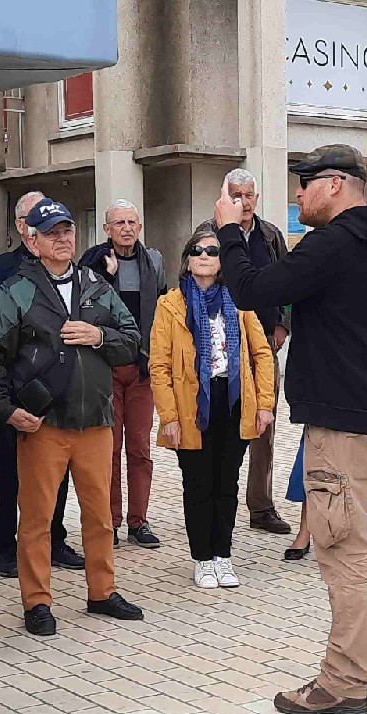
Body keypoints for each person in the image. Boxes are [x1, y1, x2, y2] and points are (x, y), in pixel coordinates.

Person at [214, 144, 367, 714]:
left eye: (304, 185)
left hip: (342, 425)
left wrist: (230, 232)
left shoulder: (334, 242)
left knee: (344, 552)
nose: (297, 197)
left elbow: (255, 291)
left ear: (334, 184)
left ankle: (341, 685)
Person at [0, 196, 145, 636]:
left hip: (95, 420)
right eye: (51, 233)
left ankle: (102, 592)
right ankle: (36, 601)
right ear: (32, 241)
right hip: (44, 424)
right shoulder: (15, 290)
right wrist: (8, 411)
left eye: (67, 230)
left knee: (100, 516)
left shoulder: (96, 285)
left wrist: (99, 334)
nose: (62, 239)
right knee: (35, 518)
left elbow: (132, 342)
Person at [149, 227, 275, 589]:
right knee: (198, 482)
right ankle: (202, 558)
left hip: (234, 401)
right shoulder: (169, 304)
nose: (204, 256)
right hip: (192, 406)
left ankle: (223, 554)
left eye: (212, 251)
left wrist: (264, 404)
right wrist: (169, 417)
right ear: (187, 260)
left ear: (221, 263)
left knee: (227, 482)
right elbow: (159, 365)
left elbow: (261, 353)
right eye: (197, 250)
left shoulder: (238, 299)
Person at [0, 191, 83, 577]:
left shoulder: (73, 271)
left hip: (59, 394)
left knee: (58, 474)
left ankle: (55, 539)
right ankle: (7, 547)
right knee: (10, 472)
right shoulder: (4, 269)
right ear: (24, 229)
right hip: (18, 391)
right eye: (33, 219)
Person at [81, 200, 166, 549]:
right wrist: (109, 278)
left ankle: (138, 521)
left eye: (132, 222)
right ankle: (111, 521)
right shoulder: (93, 262)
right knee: (109, 449)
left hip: (142, 367)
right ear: (107, 229)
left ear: (140, 227)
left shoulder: (154, 262)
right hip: (106, 368)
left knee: (140, 448)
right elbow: (88, 307)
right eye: (119, 223)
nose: (126, 228)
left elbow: (160, 311)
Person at [220, 169, 294, 536]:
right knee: (225, 423)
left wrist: (282, 324)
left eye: (249, 195)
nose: (243, 202)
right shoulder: (211, 233)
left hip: (264, 342)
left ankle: (261, 506)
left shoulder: (270, 236)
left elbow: (287, 284)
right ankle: (221, 502)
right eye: (236, 195)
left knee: (264, 426)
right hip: (222, 346)